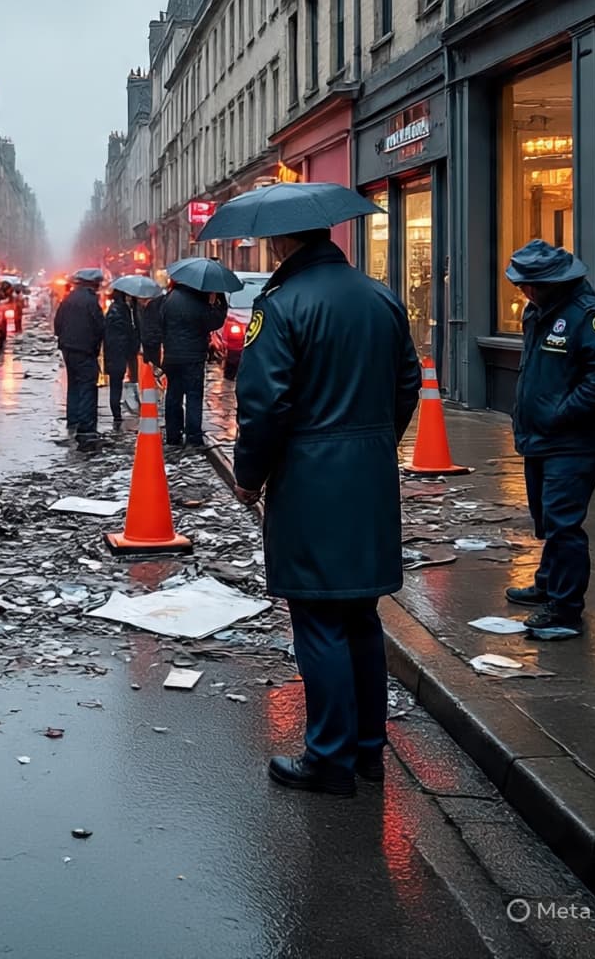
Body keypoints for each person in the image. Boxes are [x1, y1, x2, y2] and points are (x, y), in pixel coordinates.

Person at [233, 227, 420, 796]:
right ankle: (368, 750)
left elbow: (265, 406)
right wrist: (375, 440)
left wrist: (249, 477)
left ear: (282, 245)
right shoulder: (380, 295)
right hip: (369, 475)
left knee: (317, 619)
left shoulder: (280, 306)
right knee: (361, 615)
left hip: (310, 480)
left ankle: (330, 758)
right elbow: (409, 380)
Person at [504, 240, 595, 639]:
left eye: (530, 285)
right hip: (540, 436)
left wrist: (562, 412)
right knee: (547, 519)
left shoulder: (589, 316)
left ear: (552, 282)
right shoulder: (539, 311)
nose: (523, 292)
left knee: (564, 525)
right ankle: (547, 583)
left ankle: (565, 609)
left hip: (571, 442)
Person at [159, 282, 227, 446]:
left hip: (172, 356)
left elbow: (161, 323)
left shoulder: (169, 298)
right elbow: (215, 322)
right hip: (193, 357)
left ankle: (173, 435)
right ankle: (193, 436)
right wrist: (221, 299)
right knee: (194, 396)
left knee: (173, 395)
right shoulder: (199, 303)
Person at [54, 268, 105, 452]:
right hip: (85, 350)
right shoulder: (91, 302)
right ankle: (86, 428)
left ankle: (73, 419)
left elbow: (57, 323)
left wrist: (65, 339)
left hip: (68, 349)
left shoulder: (68, 299)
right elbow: (100, 326)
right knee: (87, 387)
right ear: (93, 284)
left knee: (74, 386)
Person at [103, 288, 140, 428]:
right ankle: (117, 415)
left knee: (115, 384)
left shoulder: (117, 309)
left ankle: (117, 414)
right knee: (116, 384)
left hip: (113, 353)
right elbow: (126, 334)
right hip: (118, 353)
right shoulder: (120, 311)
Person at [139, 289, 165, 369]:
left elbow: (150, 328)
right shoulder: (159, 304)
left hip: (151, 344)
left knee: (152, 369)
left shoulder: (151, 307)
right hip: (155, 343)